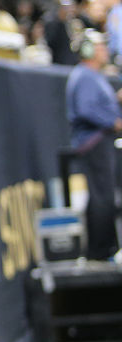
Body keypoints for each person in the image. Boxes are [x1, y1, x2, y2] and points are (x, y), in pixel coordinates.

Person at [66, 30, 122, 261]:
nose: (105, 51)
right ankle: (100, 251)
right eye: (100, 47)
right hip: (95, 141)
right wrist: (114, 121)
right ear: (88, 50)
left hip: (100, 141)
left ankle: (103, 249)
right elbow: (86, 109)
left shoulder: (92, 76)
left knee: (102, 196)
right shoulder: (85, 76)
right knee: (103, 196)